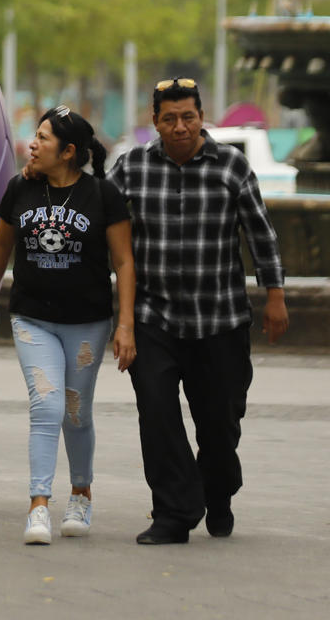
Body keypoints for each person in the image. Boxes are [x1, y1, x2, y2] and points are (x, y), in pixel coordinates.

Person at [108, 77, 288, 546]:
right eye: (170, 119)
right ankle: (173, 512)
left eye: (188, 116)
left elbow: (260, 234)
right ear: (155, 123)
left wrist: (275, 296)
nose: (180, 126)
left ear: (201, 118)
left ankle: (219, 491)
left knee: (219, 423)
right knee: (158, 414)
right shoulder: (132, 168)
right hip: (155, 320)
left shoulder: (232, 166)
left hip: (220, 320)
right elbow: (94, 211)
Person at [0, 106, 135, 546]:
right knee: (45, 408)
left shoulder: (103, 196)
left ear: (67, 152)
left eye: (44, 138)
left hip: (87, 323)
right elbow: (0, 246)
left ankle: (81, 493)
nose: (33, 143)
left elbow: (123, 261)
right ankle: (39, 505)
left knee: (75, 412)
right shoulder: (20, 188)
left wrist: (126, 324)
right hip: (32, 318)